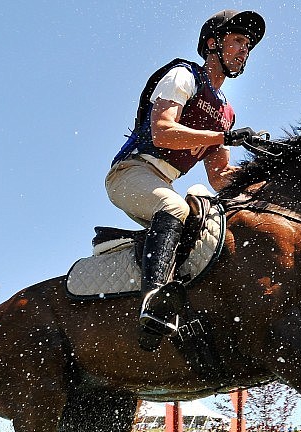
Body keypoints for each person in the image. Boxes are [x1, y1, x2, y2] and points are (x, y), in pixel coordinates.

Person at [106, 10, 265, 348]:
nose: (244, 50)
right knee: (176, 207)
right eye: (237, 41)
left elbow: (221, 177)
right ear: (213, 43)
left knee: (208, 217)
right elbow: (163, 132)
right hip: (131, 172)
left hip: (164, 181)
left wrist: (264, 172)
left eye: (248, 45)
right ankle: (153, 301)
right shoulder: (183, 75)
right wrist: (224, 138)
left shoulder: (226, 112)